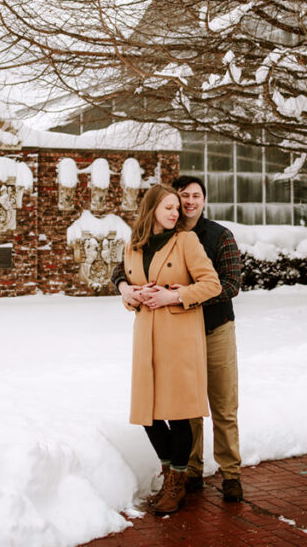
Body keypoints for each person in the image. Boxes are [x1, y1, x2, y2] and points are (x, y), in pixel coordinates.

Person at [114, 175, 244, 503]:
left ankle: (230, 474)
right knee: (162, 410)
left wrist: (177, 296)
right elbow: (124, 272)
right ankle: (187, 472)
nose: (184, 204)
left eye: (192, 197)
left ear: (203, 199)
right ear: (156, 206)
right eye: (177, 199)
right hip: (157, 335)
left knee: (218, 406)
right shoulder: (138, 243)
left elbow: (225, 284)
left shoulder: (211, 237)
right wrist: (129, 291)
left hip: (211, 329)